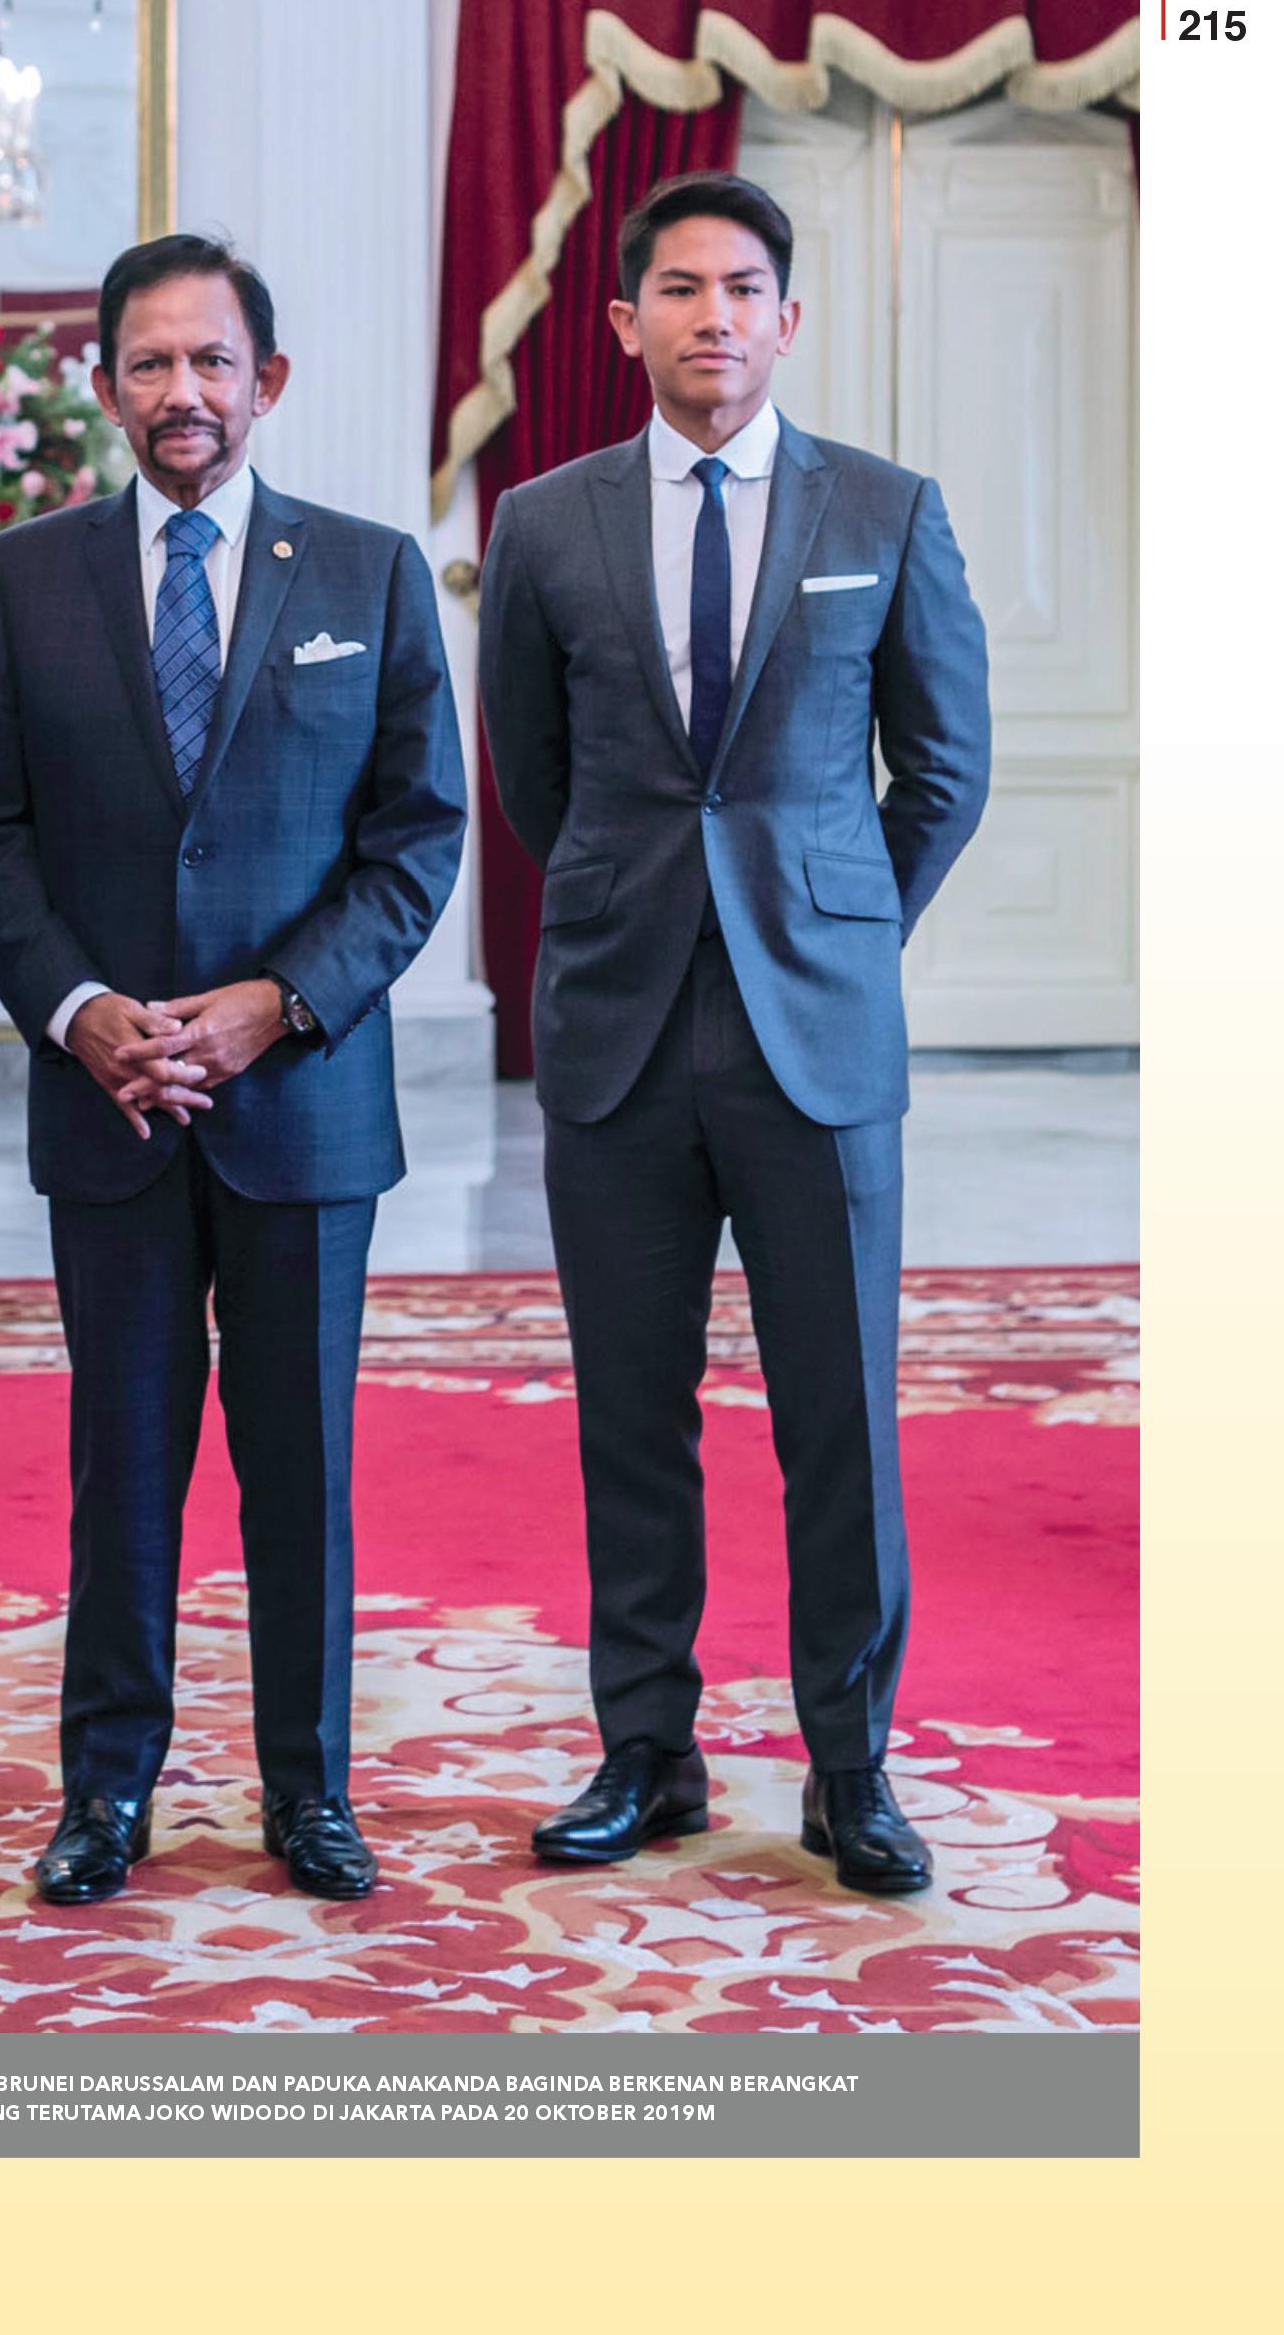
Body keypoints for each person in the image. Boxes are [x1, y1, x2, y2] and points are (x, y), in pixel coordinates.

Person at [0, 234, 465, 1905]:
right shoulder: (22, 580)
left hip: (302, 1103)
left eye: (213, 362)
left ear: (267, 381)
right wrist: (78, 1007)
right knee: (124, 1471)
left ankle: (310, 1792)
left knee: (302, 1473)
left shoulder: (370, 574)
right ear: (105, 389)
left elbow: (417, 836)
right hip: (108, 1102)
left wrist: (275, 1006)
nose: (185, 393)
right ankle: (107, 1794)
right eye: (151, 364)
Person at [476, 170, 990, 1895]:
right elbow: (532, 776)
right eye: (682, 289)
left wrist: (839, 925)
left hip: (816, 1032)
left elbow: (946, 767)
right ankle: (648, 1751)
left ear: (788, 317)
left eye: (744, 287)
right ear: (627, 321)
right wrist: (636, 902)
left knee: (838, 1413)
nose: (716, 316)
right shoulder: (546, 524)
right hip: (618, 1022)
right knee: (632, 1409)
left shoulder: (885, 510)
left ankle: (852, 1765)